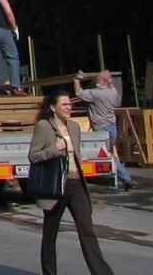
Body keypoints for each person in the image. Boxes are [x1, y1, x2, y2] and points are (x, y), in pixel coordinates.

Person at [30, 90, 115, 275]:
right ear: (53, 108)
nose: (69, 107)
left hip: (76, 184)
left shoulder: (74, 127)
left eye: (70, 104)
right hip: (55, 187)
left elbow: (75, 155)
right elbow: (33, 156)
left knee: (87, 230)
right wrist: (54, 149)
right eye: (64, 104)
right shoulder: (44, 126)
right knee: (50, 234)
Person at [75, 70, 134, 191]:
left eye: (98, 79)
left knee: (109, 156)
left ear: (101, 82)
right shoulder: (113, 92)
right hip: (112, 127)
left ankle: (126, 179)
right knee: (112, 153)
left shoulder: (95, 93)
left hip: (101, 129)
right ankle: (122, 178)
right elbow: (117, 102)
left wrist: (76, 80)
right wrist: (110, 82)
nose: (96, 81)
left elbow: (78, 93)